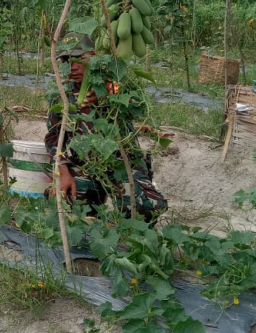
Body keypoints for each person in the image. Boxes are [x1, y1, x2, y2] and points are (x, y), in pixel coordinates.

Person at [44, 33, 167, 224]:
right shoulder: (62, 94)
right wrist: (62, 171)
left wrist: (107, 95)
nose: (73, 66)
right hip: (85, 166)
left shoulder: (114, 81)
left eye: (79, 58)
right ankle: (93, 204)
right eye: (66, 60)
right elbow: (53, 137)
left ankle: (135, 221)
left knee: (148, 206)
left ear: (93, 55)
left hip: (121, 165)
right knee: (65, 202)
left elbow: (136, 100)